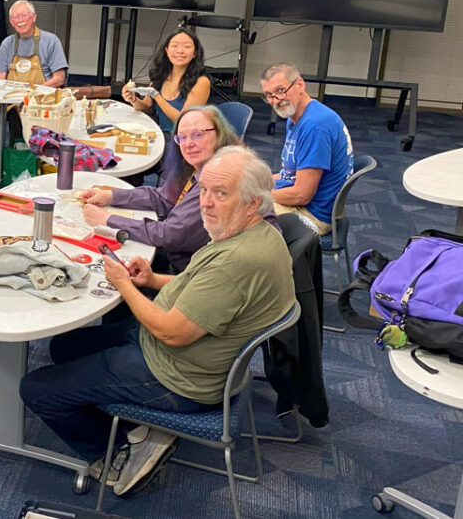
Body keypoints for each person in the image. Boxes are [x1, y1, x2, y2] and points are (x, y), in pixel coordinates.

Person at [20, 146, 294, 497]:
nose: (205, 203)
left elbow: (171, 332)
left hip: (177, 375)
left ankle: (120, 452)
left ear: (253, 202)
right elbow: (200, 287)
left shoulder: (236, 260)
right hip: (184, 349)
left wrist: (122, 285)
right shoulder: (258, 233)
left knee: (37, 389)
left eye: (220, 194)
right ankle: (137, 424)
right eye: (204, 190)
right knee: (65, 345)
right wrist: (150, 282)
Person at [79, 105, 246, 272]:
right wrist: (111, 196)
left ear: (219, 134)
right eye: (182, 137)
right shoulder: (196, 166)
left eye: (198, 135)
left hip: (187, 273)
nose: (188, 144)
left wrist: (107, 220)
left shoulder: (217, 180)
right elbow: (163, 198)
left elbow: (169, 235)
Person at [0, 0, 104, 177]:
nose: (20, 20)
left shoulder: (50, 41)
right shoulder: (7, 43)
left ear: (33, 17)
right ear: (11, 22)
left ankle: (22, 157)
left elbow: (59, 79)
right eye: (15, 17)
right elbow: (1, 76)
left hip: (42, 98)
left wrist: (35, 91)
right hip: (13, 95)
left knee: (21, 112)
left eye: (23, 16)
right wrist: (1, 93)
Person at [260, 62, 353, 235]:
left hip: (312, 215)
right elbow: (293, 172)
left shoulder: (315, 126)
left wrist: (257, 196)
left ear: (300, 85)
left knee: (237, 211)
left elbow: (302, 194)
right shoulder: (295, 114)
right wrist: (259, 181)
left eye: (281, 90)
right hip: (305, 202)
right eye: (269, 95)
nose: (276, 100)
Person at [121, 28, 211, 136]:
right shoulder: (161, 75)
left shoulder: (201, 82)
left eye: (187, 47)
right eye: (174, 46)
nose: (180, 51)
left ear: (195, 53)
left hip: (185, 139)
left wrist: (156, 95)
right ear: (167, 51)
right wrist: (133, 99)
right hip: (161, 134)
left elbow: (184, 121)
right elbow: (147, 108)